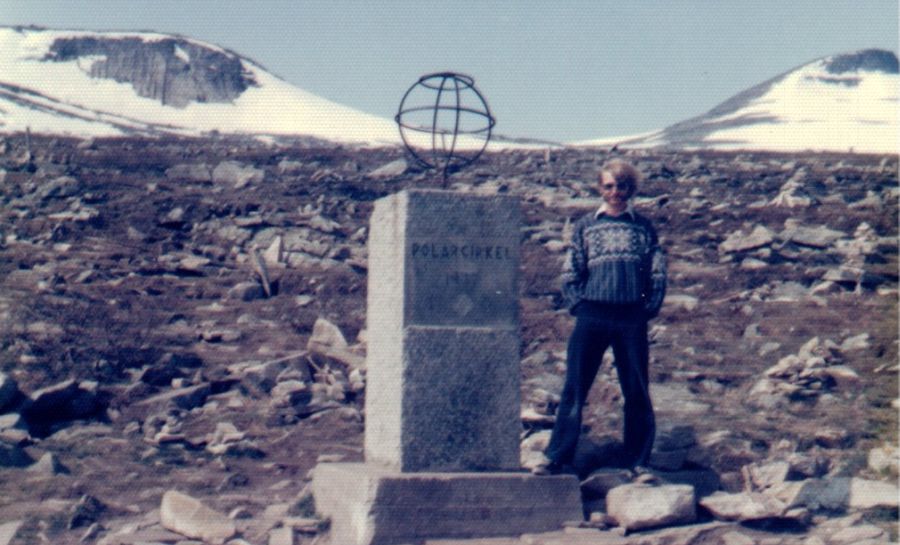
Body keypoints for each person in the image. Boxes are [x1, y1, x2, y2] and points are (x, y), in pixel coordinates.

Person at [535, 159, 666, 476]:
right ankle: (557, 456)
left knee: (635, 389)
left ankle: (638, 461)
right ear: (600, 188)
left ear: (630, 189)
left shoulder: (643, 228)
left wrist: (646, 308)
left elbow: (657, 274)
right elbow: (571, 271)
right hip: (592, 314)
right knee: (575, 387)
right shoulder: (585, 226)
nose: (615, 192)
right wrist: (579, 305)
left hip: (630, 317)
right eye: (608, 186)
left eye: (621, 186)